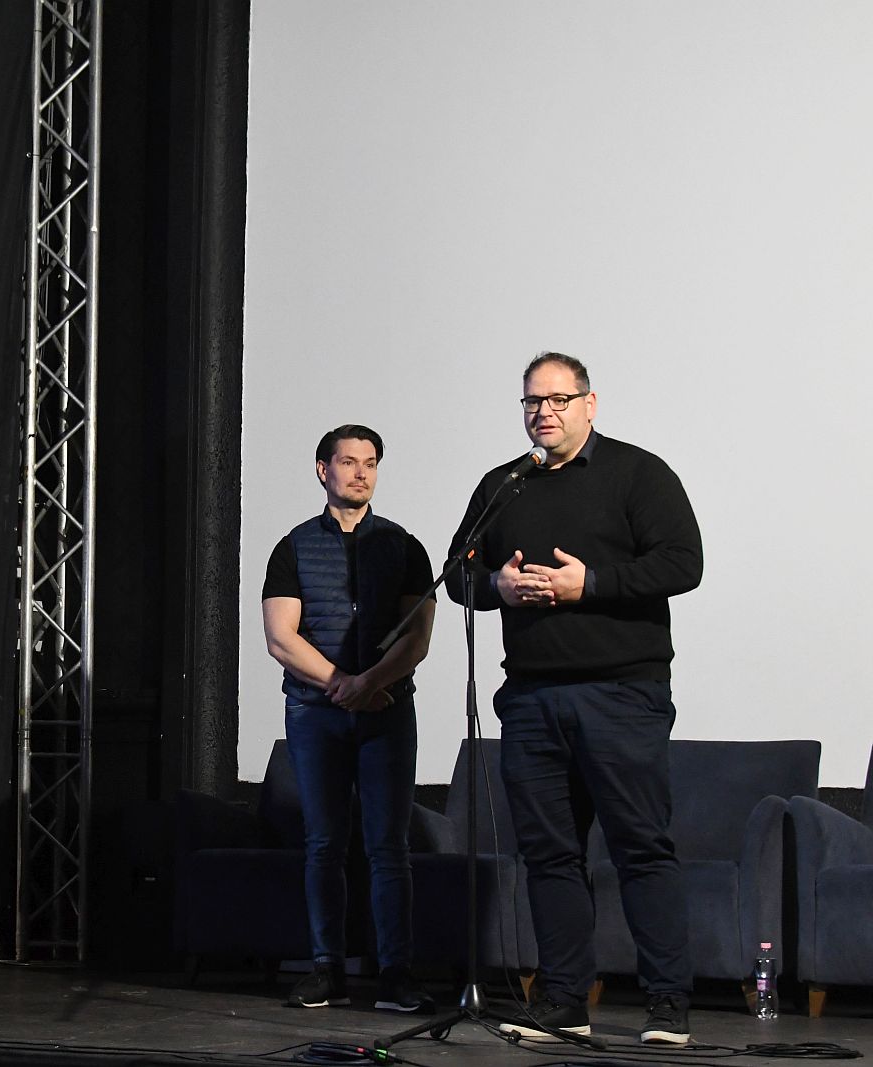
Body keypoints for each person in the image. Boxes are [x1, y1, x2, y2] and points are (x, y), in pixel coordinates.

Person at [446, 354, 702, 1046]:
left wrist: (590, 584)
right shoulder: (504, 485)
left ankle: (667, 1002)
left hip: (621, 693)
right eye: (533, 401)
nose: (544, 412)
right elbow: (457, 573)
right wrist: (496, 586)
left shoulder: (638, 473)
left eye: (559, 399)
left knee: (640, 847)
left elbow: (684, 563)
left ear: (590, 403)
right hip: (532, 699)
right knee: (550, 854)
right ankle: (564, 998)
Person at [261, 424, 437, 1013]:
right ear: (323, 470)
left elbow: (417, 638)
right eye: (348, 461)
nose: (361, 473)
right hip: (317, 714)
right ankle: (326, 970)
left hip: (387, 712)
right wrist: (343, 684)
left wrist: (371, 683)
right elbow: (281, 638)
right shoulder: (292, 547)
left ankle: (396, 975)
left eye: (370, 463)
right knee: (324, 844)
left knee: (389, 847)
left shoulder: (404, 545)